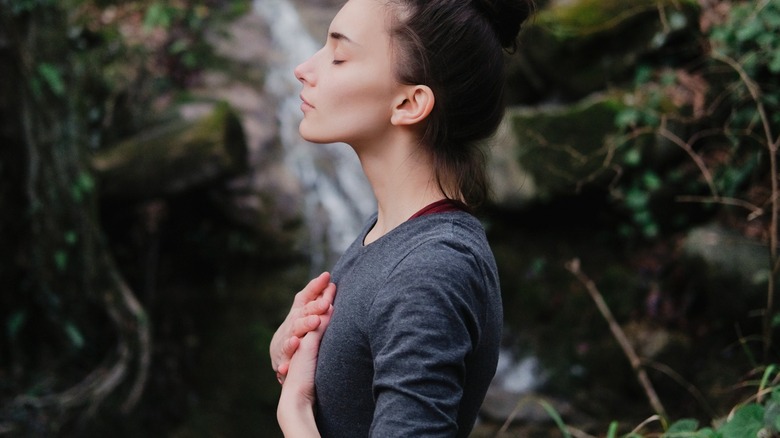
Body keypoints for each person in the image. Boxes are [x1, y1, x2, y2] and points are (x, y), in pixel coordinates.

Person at [270, 0, 535, 435]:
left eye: (338, 56)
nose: (304, 68)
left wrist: (295, 413)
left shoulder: (431, 269)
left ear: (410, 103)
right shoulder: (390, 233)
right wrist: (289, 353)